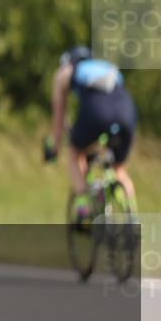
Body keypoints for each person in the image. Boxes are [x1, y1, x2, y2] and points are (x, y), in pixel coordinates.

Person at [45, 46, 138, 221]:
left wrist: (55, 145)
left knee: (74, 153)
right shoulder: (106, 66)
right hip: (127, 109)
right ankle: (132, 218)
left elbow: (59, 116)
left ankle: (83, 208)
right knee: (119, 169)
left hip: (96, 110)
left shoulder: (66, 71)